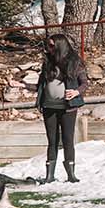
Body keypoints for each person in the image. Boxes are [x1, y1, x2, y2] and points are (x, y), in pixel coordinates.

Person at [37, 33, 88, 183]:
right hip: (49, 107)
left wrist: (76, 91)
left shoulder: (74, 62)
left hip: (67, 108)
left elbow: (84, 83)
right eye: (48, 45)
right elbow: (40, 86)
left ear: (60, 45)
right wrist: (22, 85)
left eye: (52, 45)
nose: (49, 48)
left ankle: (71, 174)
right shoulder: (48, 63)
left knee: (67, 139)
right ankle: (49, 175)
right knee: (52, 140)